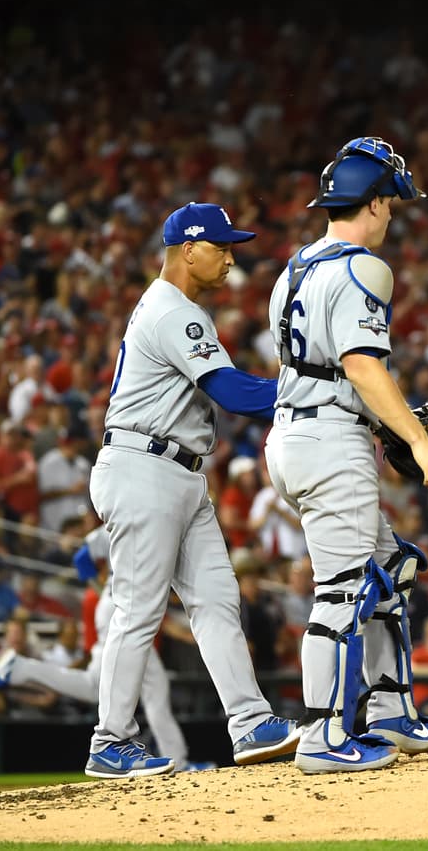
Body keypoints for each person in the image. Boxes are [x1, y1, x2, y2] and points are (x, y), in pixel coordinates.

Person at [86, 202, 299, 778]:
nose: (232, 257)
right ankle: (111, 740)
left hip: (176, 469)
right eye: (222, 247)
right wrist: (311, 387)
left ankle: (251, 722)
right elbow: (231, 391)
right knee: (139, 609)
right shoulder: (172, 310)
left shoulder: (177, 309)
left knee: (216, 599)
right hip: (143, 465)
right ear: (187, 249)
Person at [264, 137, 428, 775]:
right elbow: (361, 365)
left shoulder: (293, 266)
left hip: (293, 435)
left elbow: (322, 368)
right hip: (328, 441)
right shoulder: (365, 266)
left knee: (389, 569)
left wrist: (385, 417)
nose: (393, 214)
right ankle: (321, 738)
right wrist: (418, 438)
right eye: (390, 202)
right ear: (371, 202)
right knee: (342, 591)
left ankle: (391, 714)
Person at [0, 528, 213, 771]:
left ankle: (19, 668)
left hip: (114, 605)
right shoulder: (146, 515)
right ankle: (179, 760)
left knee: (95, 686)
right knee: (155, 687)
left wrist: (104, 591)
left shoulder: (118, 518)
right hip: (124, 607)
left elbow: (82, 559)